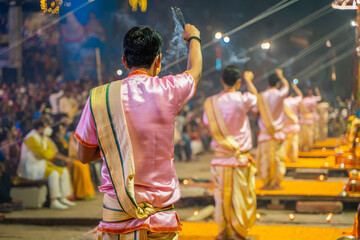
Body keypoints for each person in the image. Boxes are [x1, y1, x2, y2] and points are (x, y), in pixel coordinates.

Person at [76, 24, 202, 239]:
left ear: (124, 60)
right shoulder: (169, 89)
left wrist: (118, 145)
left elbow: (84, 155)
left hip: (117, 214)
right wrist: (194, 38)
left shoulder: (100, 97)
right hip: (160, 216)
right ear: (158, 61)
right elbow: (195, 71)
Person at [203, 67, 257, 240]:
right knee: (240, 197)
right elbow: (257, 101)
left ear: (222, 81)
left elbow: (207, 124)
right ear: (239, 82)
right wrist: (249, 81)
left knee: (220, 197)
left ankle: (223, 232)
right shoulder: (243, 99)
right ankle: (238, 232)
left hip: (220, 159)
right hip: (239, 159)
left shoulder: (211, 103)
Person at [17, 119, 75, 210]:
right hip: (32, 167)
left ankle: (63, 197)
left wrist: (47, 153)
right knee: (54, 174)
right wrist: (47, 153)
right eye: (46, 126)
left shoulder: (43, 137)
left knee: (63, 171)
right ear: (40, 128)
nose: (48, 128)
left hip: (42, 164)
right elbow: (43, 154)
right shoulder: (30, 138)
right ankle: (54, 201)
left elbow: (51, 151)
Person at [255, 69, 289, 190]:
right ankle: (276, 183)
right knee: (278, 160)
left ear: (267, 83)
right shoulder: (280, 94)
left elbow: (255, 111)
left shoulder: (261, 97)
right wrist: (281, 76)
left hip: (265, 135)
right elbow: (287, 86)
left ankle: (266, 183)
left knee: (264, 160)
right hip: (278, 134)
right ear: (277, 84)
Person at [51, 123, 95, 199]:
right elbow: (67, 153)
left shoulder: (62, 139)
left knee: (84, 165)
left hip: (70, 158)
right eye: (62, 129)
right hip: (63, 160)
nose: (64, 130)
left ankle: (85, 192)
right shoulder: (57, 140)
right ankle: (80, 193)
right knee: (80, 166)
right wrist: (70, 140)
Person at [283, 83, 303, 162]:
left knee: (285, 145)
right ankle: (294, 159)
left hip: (285, 127)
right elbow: (301, 96)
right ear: (292, 94)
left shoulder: (283, 102)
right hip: (294, 126)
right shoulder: (295, 101)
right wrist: (295, 88)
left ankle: (284, 159)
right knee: (294, 143)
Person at [299, 87, 321, 152]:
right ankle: (308, 148)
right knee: (309, 134)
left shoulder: (301, 101)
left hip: (302, 119)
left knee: (303, 135)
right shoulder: (312, 101)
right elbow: (314, 109)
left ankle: (302, 148)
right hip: (309, 120)